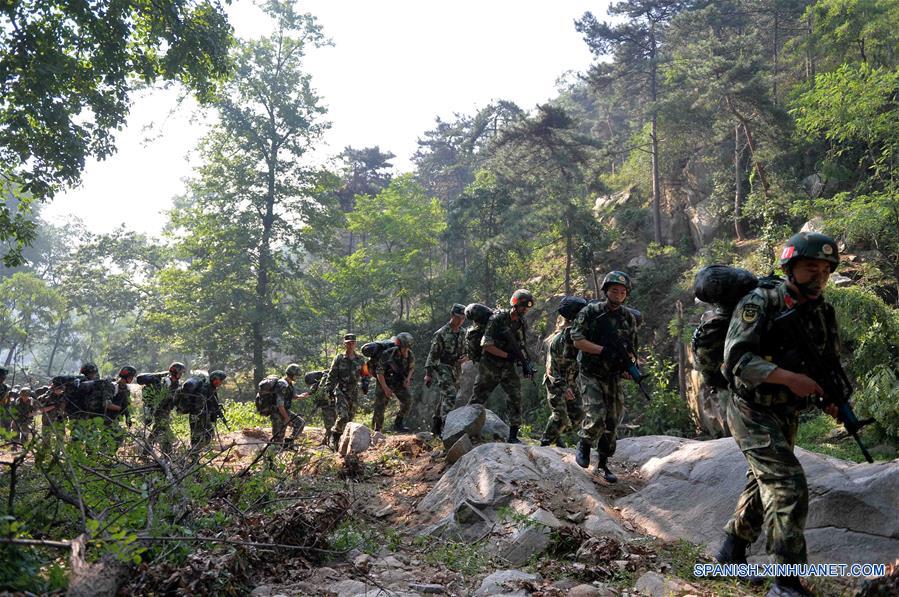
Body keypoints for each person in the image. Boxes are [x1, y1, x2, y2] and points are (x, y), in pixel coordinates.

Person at [717, 232, 845, 597]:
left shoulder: (823, 312)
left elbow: (825, 366)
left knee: (763, 483)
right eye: (810, 268)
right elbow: (736, 360)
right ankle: (786, 583)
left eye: (825, 270)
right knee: (787, 484)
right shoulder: (760, 302)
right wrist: (790, 379)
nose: (819, 276)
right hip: (750, 409)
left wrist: (830, 399)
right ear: (790, 268)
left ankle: (730, 553)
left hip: (785, 412)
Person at [571, 271, 639, 483]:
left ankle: (603, 463)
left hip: (613, 375)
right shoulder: (590, 311)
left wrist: (629, 366)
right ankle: (584, 443)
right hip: (590, 371)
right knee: (597, 413)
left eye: (622, 291)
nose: (618, 294)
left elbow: (631, 349)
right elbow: (577, 341)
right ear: (606, 291)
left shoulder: (628, 317)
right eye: (614, 290)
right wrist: (603, 351)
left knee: (613, 418)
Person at [468, 289, 536, 444]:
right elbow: (486, 345)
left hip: (507, 366)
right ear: (515, 304)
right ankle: (464, 430)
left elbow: (521, 345)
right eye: (523, 306)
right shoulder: (498, 319)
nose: (525, 310)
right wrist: (508, 356)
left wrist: (525, 363)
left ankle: (513, 435)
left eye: (527, 307)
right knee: (478, 398)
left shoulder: (521, 322)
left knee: (515, 397)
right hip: (490, 365)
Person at [539, 296, 588, 447]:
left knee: (578, 414)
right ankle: (546, 442)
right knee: (560, 416)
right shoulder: (560, 339)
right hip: (556, 382)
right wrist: (564, 387)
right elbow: (551, 368)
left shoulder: (575, 334)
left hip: (570, 380)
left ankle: (556, 435)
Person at [425, 304, 468, 435]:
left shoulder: (463, 333)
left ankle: (436, 425)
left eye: (463, 318)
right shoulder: (441, 333)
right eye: (458, 317)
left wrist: (466, 357)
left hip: (455, 368)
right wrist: (428, 374)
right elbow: (433, 354)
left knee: (445, 395)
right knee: (450, 395)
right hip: (441, 366)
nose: (461, 321)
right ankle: (446, 428)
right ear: (452, 316)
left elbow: (467, 350)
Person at [325, 334, 366, 449]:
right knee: (343, 416)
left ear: (355, 344)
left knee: (350, 419)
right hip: (341, 390)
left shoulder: (360, 359)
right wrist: (329, 389)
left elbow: (365, 374)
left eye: (352, 343)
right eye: (348, 343)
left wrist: (365, 385)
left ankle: (343, 443)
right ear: (345, 344)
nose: (350, 345)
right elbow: (332, 375)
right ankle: (335, 435)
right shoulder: (339, 358)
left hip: (353, 392)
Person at [372, 332, 415, 433]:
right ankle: (376, 431)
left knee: (408, 401)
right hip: (384, 382)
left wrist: (408, 379)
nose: (406, 350)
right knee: (380, 407)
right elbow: (379, 372)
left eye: (408, 348)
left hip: (399, 382)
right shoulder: (387, 354)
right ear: (399, 347)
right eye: (404, 348)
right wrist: (385, 388)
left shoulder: (410, 355)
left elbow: (411, 368)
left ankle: (398, 423)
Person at [184, 370, 227, 451]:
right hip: (197, 416)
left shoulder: (212, 389)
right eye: (220, 380)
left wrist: (216, 412)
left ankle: (195, 451)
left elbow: (214, 403)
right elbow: (199, 405)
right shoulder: (205, 388)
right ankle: (192, 456)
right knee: (196, 438)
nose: (221, 382)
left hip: (204, 416)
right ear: (214, 379)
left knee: (210, 435)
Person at [270, 363, 305, 446]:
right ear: (291, 375)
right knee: (278, 438)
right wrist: (287, 418)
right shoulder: (282, 385)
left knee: (300, 423)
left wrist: (301, 396)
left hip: (285, 411)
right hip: (278, 413)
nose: (297, 377)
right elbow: (280, 405)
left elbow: (291, 397)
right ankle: (272, 455)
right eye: (296, 375)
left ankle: (288, 443)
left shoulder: (289, 384)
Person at [300, 370, 334, 446]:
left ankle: (330, 442)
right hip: (328, 404)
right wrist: (308, 393)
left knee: (330, 424)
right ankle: (327, 440)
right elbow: (314, 390)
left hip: (330, 405)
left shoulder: (325, 379)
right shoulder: (322, 379)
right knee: (329, 424)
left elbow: (320, 392)